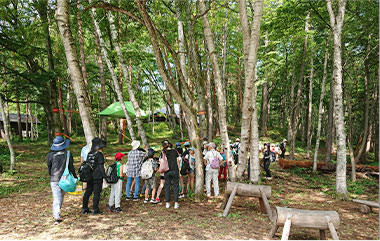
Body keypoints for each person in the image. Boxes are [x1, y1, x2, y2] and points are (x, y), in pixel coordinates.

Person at [47, 136, 77, 224]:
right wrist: (74, 176)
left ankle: (57, 214)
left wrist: (51, 175)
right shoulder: (68, 154)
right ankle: (56, 216)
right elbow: (71, 167)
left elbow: (49, 167)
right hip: (65, 179)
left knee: (57, 198)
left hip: (54, 178)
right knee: (60, 197)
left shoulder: (50, 155)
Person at [82, 137, 107, 215]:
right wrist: (105, 177)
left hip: (89, 176)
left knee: (88, 192)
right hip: (97, 177)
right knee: (96, 193)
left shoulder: (89, 153)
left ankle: (84, 207)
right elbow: (101, 167)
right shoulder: (99, 155)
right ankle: (95, 209)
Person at [162, 141, 180, 209]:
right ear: (169, 144)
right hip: (175, 170)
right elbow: (178, 160)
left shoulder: (163, 152)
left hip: (166, 171)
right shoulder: (174, 151)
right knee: (175, 187)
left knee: (167, 187)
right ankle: (176, 203)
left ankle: (167, 203)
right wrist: (179, 169)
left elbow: (161, 161)